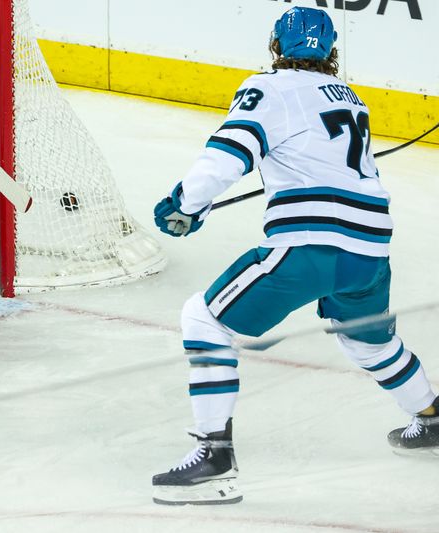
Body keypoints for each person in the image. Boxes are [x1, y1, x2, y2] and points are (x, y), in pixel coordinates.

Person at [150, 6, 438, 505]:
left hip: (312, 244)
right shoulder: (352, 98)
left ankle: (214, 456)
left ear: (275, 47)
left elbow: (227, 156)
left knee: (204, 318)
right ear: (330, 53)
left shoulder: (270, 87)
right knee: (367, 343)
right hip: (370, 249)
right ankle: (432, 418)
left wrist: (186, 204)